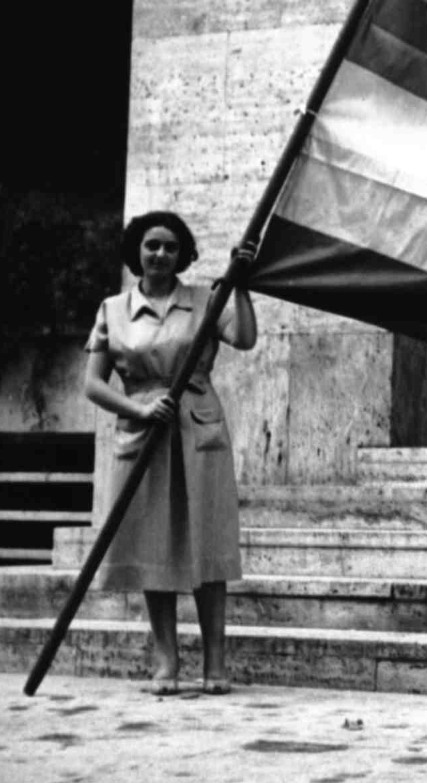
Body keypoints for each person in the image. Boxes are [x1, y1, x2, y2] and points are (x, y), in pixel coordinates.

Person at [83, 212, 257, 695]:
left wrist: (239, 287)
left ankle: (216, 664)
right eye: (151, 245)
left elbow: (243, 337)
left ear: (183, 255)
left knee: (208, 544)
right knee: (151, 545)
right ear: (136, 251)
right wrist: (137, 409)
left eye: (171, 247)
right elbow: (93, 385)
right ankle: (165, 662)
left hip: (198, 427)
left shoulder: (204, 301)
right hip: (142, 432)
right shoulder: (113, 309)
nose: (160, 254)